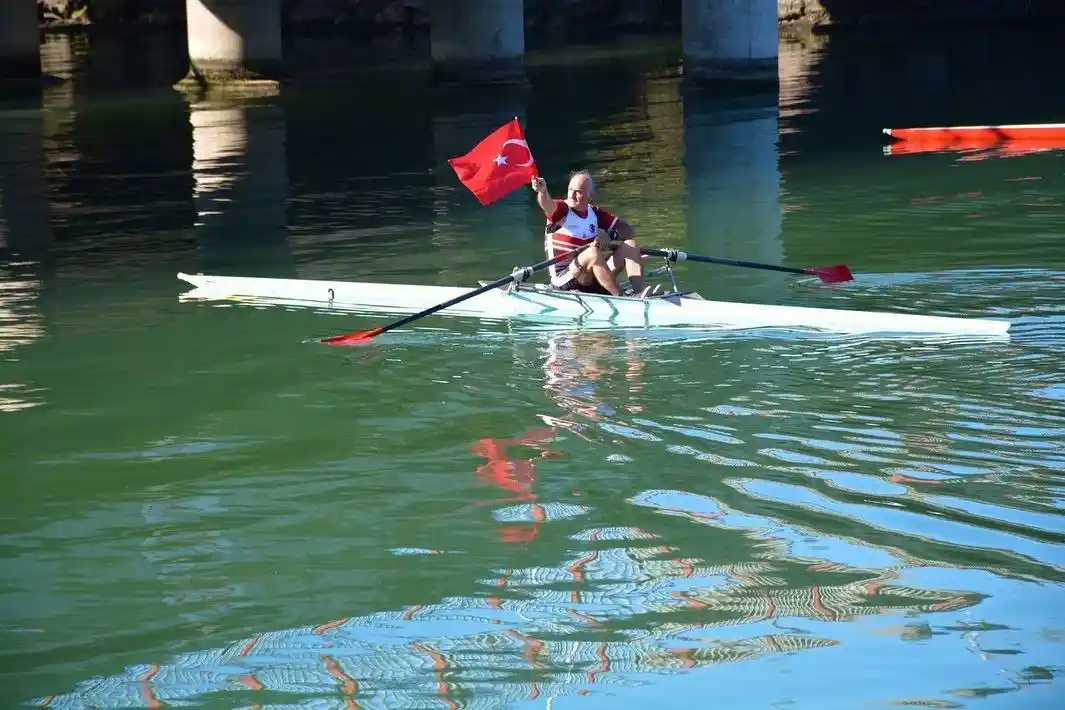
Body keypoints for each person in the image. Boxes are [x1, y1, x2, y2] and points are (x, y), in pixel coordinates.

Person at [530, 171, 651, 297]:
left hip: (591, 277)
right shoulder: (561, 211)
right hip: (564, 280)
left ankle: (640, 294)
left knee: (630, 245)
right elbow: (547, 205)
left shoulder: (595, 213)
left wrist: (610, 236)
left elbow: (629, 230)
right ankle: (622, 297)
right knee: (593, 252)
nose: (572, 195)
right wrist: (543, 192)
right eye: (570, 189)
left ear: (590, 196)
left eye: (578, 192)